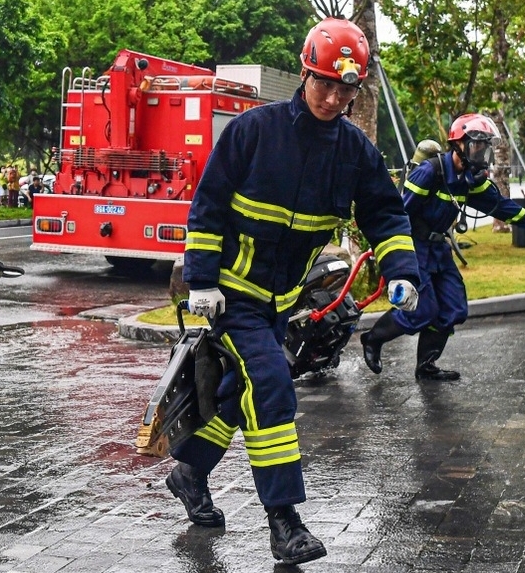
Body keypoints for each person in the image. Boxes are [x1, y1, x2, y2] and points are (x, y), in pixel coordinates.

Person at [173, 17, 421, 567]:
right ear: (304, 75)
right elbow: (208, 207)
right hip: (232, 296)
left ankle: (189, 471)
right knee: (271, 385)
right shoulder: (253, 131)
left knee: (245, 394)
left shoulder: (356, 152)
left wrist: (402, 271)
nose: (333, 98)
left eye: (345, 89)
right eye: (323, 84)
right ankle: (284, 522)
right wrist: (202, 282)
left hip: (283, 302)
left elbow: (385, 214)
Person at [361, 113, 525, 383]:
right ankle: (372, 339)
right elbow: (398, 213)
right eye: (477, 145)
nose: (482, 152)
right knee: (422, 309)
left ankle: (426, 365)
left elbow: (504, 208)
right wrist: (391, 254)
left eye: (485, 146)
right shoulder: (430, 172)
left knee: (453, 308)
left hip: (438, 249)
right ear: (459, 145)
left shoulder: (470, 181)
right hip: (414, 247)